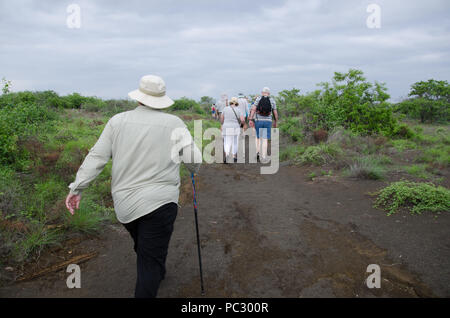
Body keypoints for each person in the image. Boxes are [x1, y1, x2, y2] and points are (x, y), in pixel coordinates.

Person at [65, 75, 202, 298]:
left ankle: (156, 266)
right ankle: (154, 269)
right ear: (161, 99)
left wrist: (77, 188)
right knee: (150, 260)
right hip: (162, 202)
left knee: (145, 245)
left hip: (125, 205)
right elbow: (194, 160)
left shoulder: (117, 121)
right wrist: (192, 168)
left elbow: (97, 157)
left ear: (139, 98)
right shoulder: (174, 123)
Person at [248, 87, 278, 163]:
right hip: (268, 121)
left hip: (258, 121)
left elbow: (253, 109)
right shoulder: (272, 100)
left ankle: (257, 152)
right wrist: (275, 121)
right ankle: (263, 156)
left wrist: (251, 119)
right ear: (269, 93)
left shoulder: (258, 99)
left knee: (258, 137)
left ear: (262, 92)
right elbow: (275, 112)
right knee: (265, 139)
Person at [220, 97, 244, 163]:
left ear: (230, 102)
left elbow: (222, 119)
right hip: (235, 127)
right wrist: (241, 125)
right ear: (236, 103)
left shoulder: (225, 109)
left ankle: (227, 155)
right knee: (235, 142)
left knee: (227, 142)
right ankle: (233, 156)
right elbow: (242, 120)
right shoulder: (239, 110)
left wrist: (222, 124)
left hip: (226, 126)